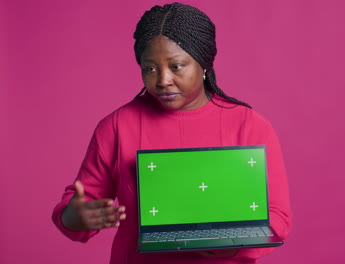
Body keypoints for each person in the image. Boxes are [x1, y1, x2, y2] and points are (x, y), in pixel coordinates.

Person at [52, 3, 291, 264]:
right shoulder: (116, 127)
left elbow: (277, 217)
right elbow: (78, 207)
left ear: (204, 64)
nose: (163, 80)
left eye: (176, 66)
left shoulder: (249, 125)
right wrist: (74, 217)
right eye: (150, 68)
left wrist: (231, 245)